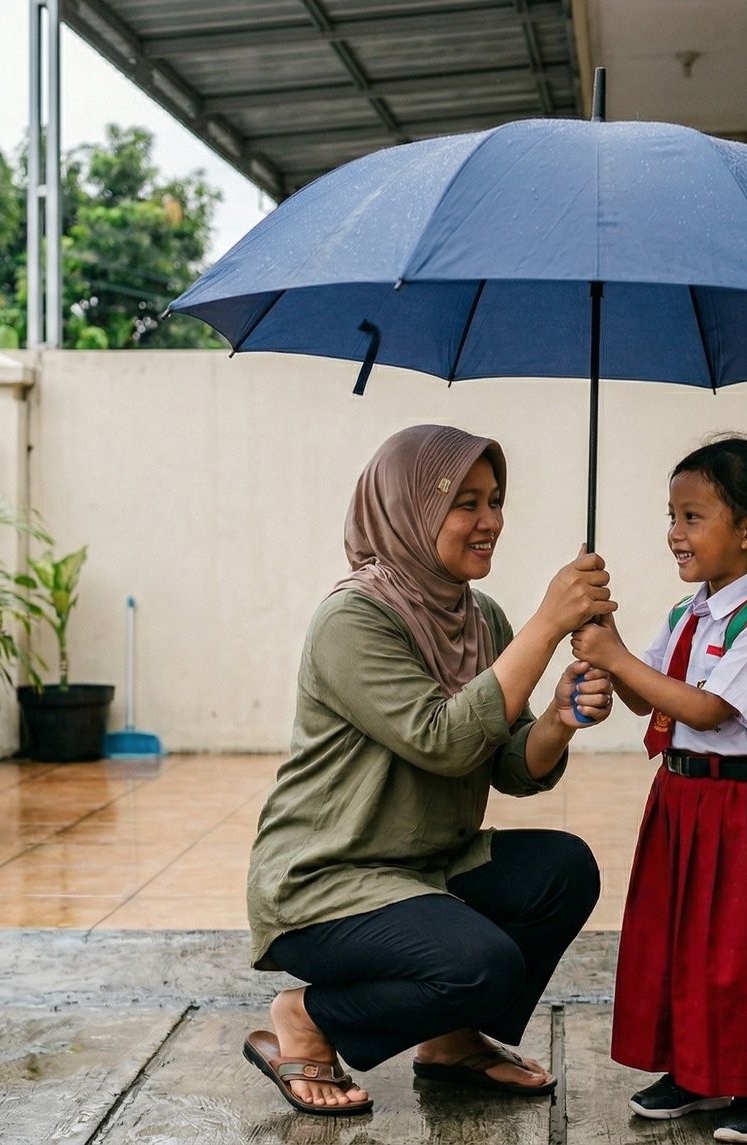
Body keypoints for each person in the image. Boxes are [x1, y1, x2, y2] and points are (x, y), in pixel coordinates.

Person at [243, 423, 616, 1117]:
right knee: (480, 962)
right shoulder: (352, 619)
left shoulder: (482, 617)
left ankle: (450, 1040)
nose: (491, 521)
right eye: (465, 502)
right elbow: (441, 738)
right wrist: (546, 624)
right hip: (326, 879)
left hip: (426, 867)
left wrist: (559, 720)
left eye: (496, 499)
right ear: (408, 507)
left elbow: (505, 760)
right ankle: (309, 1016)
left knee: (563, 869)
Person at [571, 436, 747, 1144]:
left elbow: (710, 708)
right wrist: (602, 624)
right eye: (671, 516)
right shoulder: (690, 614)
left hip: (741, 809)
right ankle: (696, 1067)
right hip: (679, 802)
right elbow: (644, 697)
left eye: (692, 517)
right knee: (679, 938)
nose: (674, 534)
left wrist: (616, 656)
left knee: (742, 948)